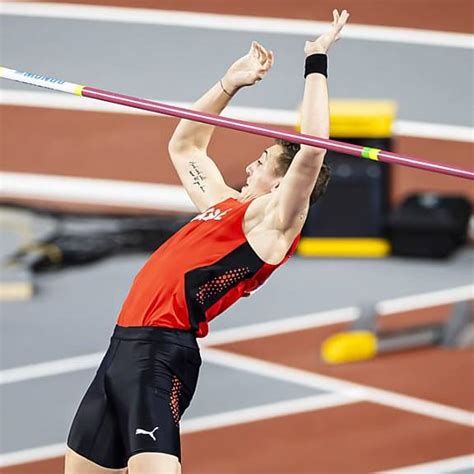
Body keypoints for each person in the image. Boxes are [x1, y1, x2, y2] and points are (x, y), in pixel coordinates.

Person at [65, 9, 349, 474]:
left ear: (281, 185)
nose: (250, 168)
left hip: (160, 354)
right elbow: (186, 146)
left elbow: (314, 148)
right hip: (122, 349)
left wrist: (316, 59)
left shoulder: (273, 224)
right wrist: (229, 84)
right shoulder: (222, 204)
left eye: (261, 162)